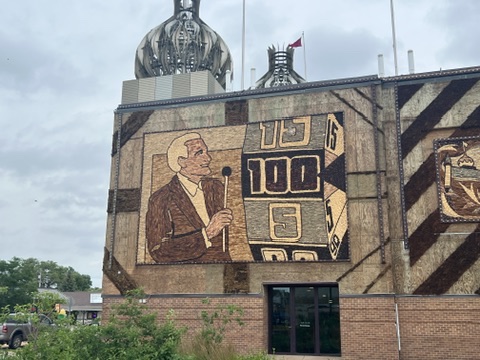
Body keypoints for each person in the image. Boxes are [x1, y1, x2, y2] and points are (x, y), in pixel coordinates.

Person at [146, 132, 233, 263]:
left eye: (206, 152)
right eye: (199, 153)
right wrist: (207, 234)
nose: (208, 158)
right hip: (188, 275)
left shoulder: (215, 187)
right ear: (181, 161)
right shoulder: (161, 198)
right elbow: (159, 251)